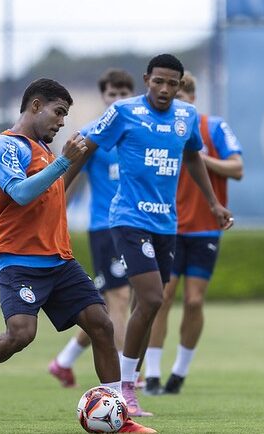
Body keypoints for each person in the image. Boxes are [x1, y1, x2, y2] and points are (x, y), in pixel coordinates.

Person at [0, 78, 155, 434]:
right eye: (59, 112)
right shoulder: (5, 147)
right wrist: (64, 161)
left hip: (59, 260)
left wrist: (75, 161)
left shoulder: (46, 153)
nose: (62, 121)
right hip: (18, 259)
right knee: (21, 333)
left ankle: (120, 420)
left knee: (101, 324)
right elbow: (21, 193)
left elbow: (54, 194)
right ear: (35, 106)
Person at [66, 54, 234, 417]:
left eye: (172, 83)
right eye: (158, 81)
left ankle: (127, 387)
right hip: (128, 219)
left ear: (178, 86)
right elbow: (86, 144)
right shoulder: (124, 112)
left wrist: (214, 203)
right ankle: (125, 387)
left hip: (166, 224)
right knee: (154, 298)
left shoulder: (185, 117)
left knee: (147, 304)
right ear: (147, 79)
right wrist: (59, 191)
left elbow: (192, 158)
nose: (164, 89)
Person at [144, 71, 244, 396]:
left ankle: (179, 373)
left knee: (194, 301)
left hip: (203, 230)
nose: (178, 107)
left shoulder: (213, 127)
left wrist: (202, 159)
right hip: (168, 227)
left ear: (193, 100)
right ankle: (154, 375)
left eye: (183, 99)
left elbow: (237, 168)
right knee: (162, 299)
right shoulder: (159, 129)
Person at [48, 69, 136, 388]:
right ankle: (127, 383)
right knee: (120, 301)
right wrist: (54, 216)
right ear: (104, 96)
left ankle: (64, 361)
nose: (118, 98)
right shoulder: (91, 133)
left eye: (124, 92)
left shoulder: (138, 132)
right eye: (112, 93)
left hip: (139, 226)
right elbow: (69, 180)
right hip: (106, 228)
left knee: (111, 307)